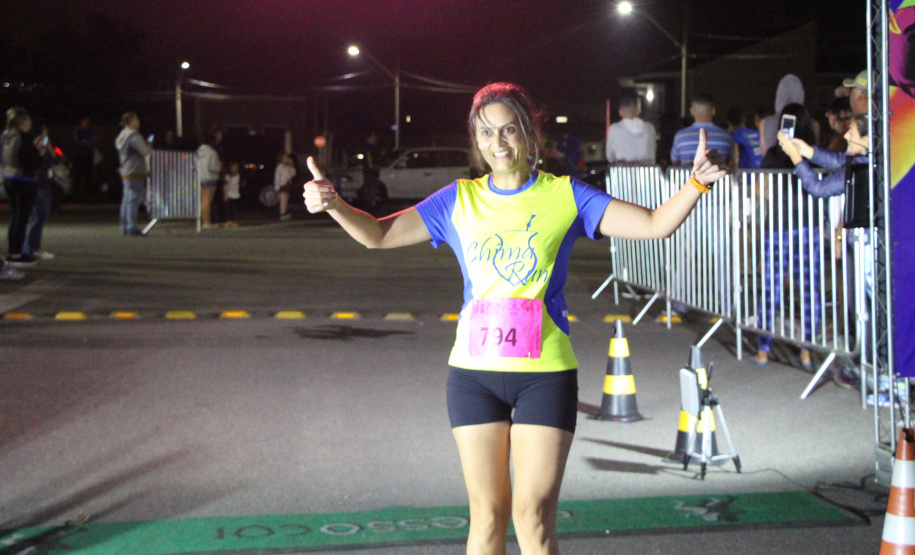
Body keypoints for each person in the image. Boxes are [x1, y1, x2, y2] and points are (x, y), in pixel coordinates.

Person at [302, 82, 727, 555]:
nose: (497, 143)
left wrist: (697, 184)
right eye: (486, 132)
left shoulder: (565, 196)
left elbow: (654, 224)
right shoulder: (457, 200)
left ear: (529, 135)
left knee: (533, 519)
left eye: (508, 130)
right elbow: (377, 236)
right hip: (473, 376)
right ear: (476, 139)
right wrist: (335, 205)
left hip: (544, 376)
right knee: (486, 518)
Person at [776, 114, 871, 388]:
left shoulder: (866, 166)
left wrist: (797, 160)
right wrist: (807, 151)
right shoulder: (867, 159)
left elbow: (817, 188)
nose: (847, 136)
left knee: (869, 312)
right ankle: (872, 369)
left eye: (852, 132)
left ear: (868, 139)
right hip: (863, 248)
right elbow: (841, 162)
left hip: (869, 251)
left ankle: (879, 375)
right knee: (862, 310)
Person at [752, 102, 821, 370]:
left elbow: (761, 190)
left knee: (772, 287)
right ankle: (806, 350)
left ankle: (764, 349)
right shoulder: (814, 153)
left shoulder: (774, 154)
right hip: (809, 228)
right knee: (809, 289)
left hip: (778, 227)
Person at [2, 107, 41, 268]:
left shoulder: (7, 136)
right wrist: (39, 153)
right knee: (22, 218)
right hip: (23, 179)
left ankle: (14, 252)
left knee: (16, 217)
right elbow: (31, 161)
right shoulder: (23, 137)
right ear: (22, 122)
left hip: (9, 177)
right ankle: (16, 254)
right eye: (28, 120)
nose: (31, 123)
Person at [22, 122, 58, 261]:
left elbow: (55, 160)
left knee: (40, 217)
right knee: (37, 217)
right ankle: (31, 248)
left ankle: (33, 247)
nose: (46, 136)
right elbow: (37, 162)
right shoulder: (34, 145)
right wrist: (42, 150)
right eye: (44, 133)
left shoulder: (45, 145)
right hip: (38, 184)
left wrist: (49, 147)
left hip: (45, 183)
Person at [115, 112, 152, 236]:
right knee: (135, 198)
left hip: (125, 169)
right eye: (136, 120)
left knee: (126, 199)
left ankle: (124, 226)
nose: (138, 122)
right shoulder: (134, 136)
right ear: (131, 122)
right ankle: (132, 226)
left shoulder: (121, 135)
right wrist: (149, 146)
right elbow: (145, 151)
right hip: (135, 170)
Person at [670, 94, 733, 167]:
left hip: (688, 178)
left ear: (692, 111)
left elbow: (675, 162)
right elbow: (731, 162)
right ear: (713, 111)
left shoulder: (680, 136)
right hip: (718, 178)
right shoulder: (726, 136)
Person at [760, 74, 806, 157]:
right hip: (799, 167)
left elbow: (764, 152)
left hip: (774, 167)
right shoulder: (811, 123)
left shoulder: (765, 123)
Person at [605, 94, 657, 165]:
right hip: (647, 173)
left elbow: (610, 157)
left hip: (624, 173)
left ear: (620, 112)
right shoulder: (650, 128)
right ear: (638, 111)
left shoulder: (614, 129)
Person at [195, 133, 222, 229]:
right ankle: (207, 222)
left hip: (200, 178)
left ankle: (204, 220)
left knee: (203, 201)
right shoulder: (212, 152)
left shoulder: (198, 152)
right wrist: (220, 167)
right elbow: (214, 167)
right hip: (210, 178)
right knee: (207, 201)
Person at [72, 117, 96, 200]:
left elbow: (92, 140)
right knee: (78, 173)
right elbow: (76, 140)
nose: (84, 123)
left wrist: (87, 143)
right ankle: (77, 191)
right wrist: (82, 143)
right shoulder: (78, 131)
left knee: (88, 173)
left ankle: (88, 191)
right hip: (79, 155)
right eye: (83, 121)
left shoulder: (90, 131)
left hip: (88, 154)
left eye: (85, 122)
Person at [275, 151, 296, 220]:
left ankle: (284, 212)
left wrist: (292, 165)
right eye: (286, 157)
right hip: (282, 184)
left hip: (288, 184)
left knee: (286, 199)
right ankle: (282, 213)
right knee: (283, 199)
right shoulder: (280, 167)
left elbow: (293, 174)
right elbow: (277, 177)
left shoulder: (288, 167)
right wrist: (277, 186)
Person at [223, 161, 242, 227]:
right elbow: (225, 186)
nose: (235, 169)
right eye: (233, 167)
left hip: (236, 195)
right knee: (228, 209)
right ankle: (228, 221)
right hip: (229, 194)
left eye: (236, 167)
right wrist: (225, 194)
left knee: (234, 209)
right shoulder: (228, 176)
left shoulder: (239, 176)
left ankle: (233, 221)